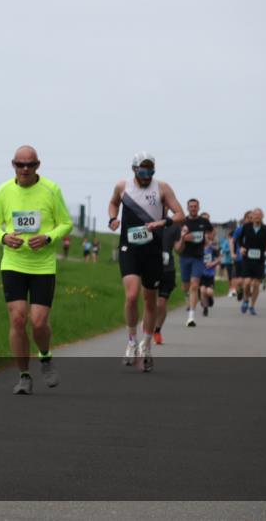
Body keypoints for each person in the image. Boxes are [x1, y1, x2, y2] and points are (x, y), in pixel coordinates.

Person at [0, 146, 73, 393]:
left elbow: (66, 223)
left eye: (30, 165)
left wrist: (48, 238)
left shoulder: (51, 190)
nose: (25, 169)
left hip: (43, 265)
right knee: (17, 317)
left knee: (38, 321)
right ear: (13, 164)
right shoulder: (4, 190)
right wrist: (4, 237)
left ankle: (45, 356)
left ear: (38, 165)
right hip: (13, 262)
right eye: (20, 164)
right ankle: (24, 375)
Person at [108, 152, 184, 372]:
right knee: (131, 296)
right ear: (134, 170)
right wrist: (113, 218)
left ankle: (146, 345)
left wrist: (163, 222)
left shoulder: (162, 188)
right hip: (129, 247)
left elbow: (180, 214)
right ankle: (131, 341)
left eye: (150, 171)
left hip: (153, 249)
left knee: (150, 300)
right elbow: (113, 204)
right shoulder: (122, 186)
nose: (146, 175)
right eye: (142, 171)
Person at [177, 199, 214, 327]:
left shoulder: (204, 222)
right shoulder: (183, 222)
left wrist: (208, 240)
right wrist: (183, 238)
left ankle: (191, 316)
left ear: (198, 207)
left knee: (194, 286)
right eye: (191, 206)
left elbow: (211, 231)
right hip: (184, 256)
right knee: (186, 286)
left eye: (195, 206)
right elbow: (178, 243)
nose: (193, 208)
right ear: (187, 208)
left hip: (198, 257)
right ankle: (188, 300)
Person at [238, 208, 266, 316]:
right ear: (252, 217)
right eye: (255, 215)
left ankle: (252, 306)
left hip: (259, 260)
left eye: (259, 215)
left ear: (262, 217)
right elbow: (240, 239)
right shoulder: (246, 227)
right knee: (247, 283)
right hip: (248, 259)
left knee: (256, 284)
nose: (257, 217)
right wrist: (241, 248)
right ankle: (245, 299)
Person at [153, 221, 182, 345]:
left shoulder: (174, 227)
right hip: (150, 268)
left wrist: (183, 238)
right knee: (150, 301)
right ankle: (148, 326)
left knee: (162, 303)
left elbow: (178, 249)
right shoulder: (149, 223)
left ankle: (157, 330)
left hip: (167, 269)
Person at [199, 229, 220, 316]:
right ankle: (205, 308)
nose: (205, 240)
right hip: (201, 274)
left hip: (210, 274)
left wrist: (212, 263)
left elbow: (219, 259)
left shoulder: (212, 248)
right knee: (203, 290)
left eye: (206, 238)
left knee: (209, 292)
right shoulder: (198, 249)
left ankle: (210, 298)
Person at [232, 212, 251, 302]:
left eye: (252, 217)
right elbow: (232, 241)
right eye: (248, 217)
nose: (250, 219)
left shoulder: (256, 230)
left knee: (248, 279)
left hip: (251, 258)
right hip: (240, 257)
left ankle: (245, 294)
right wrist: (233, 253)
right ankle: (240, 290)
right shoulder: (240, 229)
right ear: (245, 219)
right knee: (240, 280)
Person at [219, 227, 236, 293]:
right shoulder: (226, 242)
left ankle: (234, 289)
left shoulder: (236, 241)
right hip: (228, 261)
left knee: (234, 275)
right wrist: (230, 250)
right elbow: (223, 250)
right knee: (230, 275)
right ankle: (230, 288)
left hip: (235, 261)